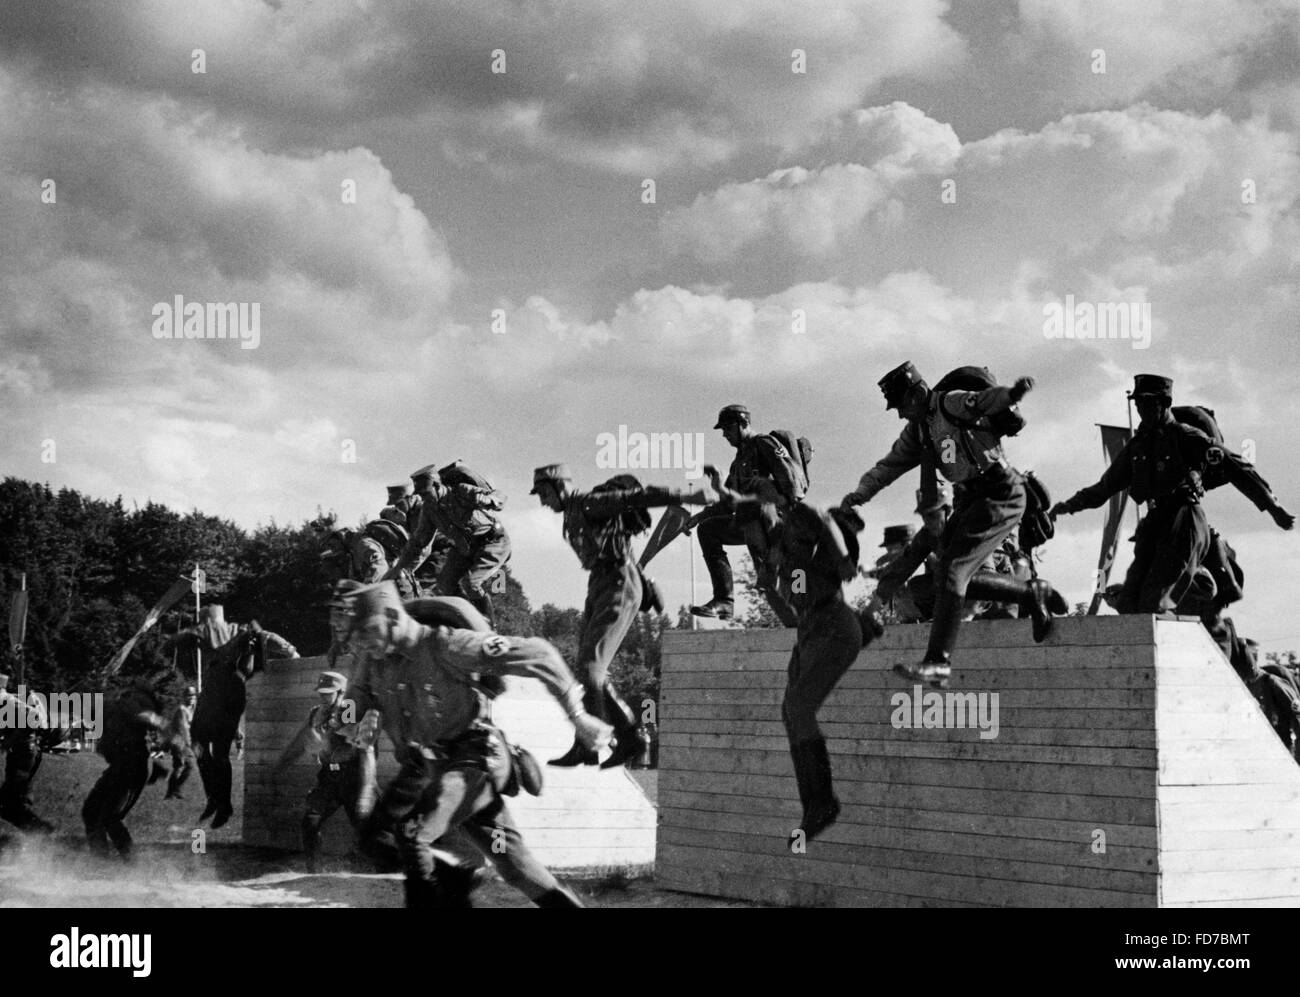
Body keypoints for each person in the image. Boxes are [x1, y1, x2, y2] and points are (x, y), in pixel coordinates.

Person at [339, 581, 611, 908]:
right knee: (514, 866)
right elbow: (354, 700)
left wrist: (578, 716)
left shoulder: (446, 646)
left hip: (475, 764)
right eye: (356, 637)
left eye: (367, 631)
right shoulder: (376, 661)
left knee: (413, 834)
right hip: (444, 776)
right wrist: (346, 722)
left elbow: (539, 653)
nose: (362, 644)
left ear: (394, 617)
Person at [842, 362, 1066, 688]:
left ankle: (938, 663)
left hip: (1000, 491)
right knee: (955, 577)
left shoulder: (950, 402)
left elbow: (986, 400)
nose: (900, 414)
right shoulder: (918, 431)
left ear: (918, 394)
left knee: (952, 572)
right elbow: (889, 466)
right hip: (971, 500)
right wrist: (860, 494)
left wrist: (1013, 393)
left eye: (902, 405)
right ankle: (1033, 593)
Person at [1051, 374, 1294, 614]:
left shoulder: (1184, 435)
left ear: (1165, 403)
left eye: (1148, 403)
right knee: (1127, 603)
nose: (1141, 409)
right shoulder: (1138, 445)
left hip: (1183, 521)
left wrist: (1272, 506)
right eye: (1138, 404)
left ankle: (1196, 587)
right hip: (1154, 523)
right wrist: (1068, 505)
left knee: (1152, 602)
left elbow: (1236, 466)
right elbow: (1104, 487)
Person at [530, 463, 715, 768]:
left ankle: (631, 736)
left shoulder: (590, 502)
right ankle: (586, 746)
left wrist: (690, 495)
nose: (542, 501)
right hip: (599, 584)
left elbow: (639, 497)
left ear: (559, 486)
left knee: (591, 670)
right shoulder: (573, 511)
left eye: (544, 493)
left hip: (618, 582)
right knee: (585, 672)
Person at [772, 502, 875, 846]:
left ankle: (823, 803)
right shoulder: (792, 557)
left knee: (799, 708)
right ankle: (814, 806)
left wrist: (843, 555)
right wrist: (769, 586)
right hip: (811, 627)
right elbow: (793, 608)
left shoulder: (824, 543)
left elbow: (824, 521)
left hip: (833, 625)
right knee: (790, 711)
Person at [168, 606, 299, 828]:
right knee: (198, 745)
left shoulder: (240, 632)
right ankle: (214, 799)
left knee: (219, 752)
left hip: (229, 695)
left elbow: (268, 637)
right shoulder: (205, 639)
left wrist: (291, 651)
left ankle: (224, 805)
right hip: (209, 696)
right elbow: (178, 639)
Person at [690, 405, 804, 626]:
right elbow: (727, 504)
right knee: (708, 529)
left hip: (777, 525)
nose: (725, 434)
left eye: (728, 429)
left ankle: (805, 625)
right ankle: (724, 600)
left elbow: (793, 484)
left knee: (791, 584)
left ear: (743, 424)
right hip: (753, 527)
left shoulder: (764, 444)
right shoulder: (739, 462)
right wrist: (698, 517)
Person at [275, 670, 381, 872]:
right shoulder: (316, 712)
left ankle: (378, 875)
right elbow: (301, 741)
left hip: (354, 777)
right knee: (311, 820)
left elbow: (349, 740)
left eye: (328, 692)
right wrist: (283, 763)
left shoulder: (349, 707)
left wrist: (323, 741)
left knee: (366, 828)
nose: (323, 696)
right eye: (321, 692)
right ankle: (312, 872)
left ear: (341, 692)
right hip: (329, 778)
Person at [387, 464, 511, 625]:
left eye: (425, 493)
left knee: (471, 583)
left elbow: (500, 496)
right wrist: (398, 570)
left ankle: (490, 627)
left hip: (492, 542)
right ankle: (464, 620)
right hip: (465, 549)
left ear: (437, 486)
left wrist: (489, 500)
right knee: (443, 586)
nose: (423, 498)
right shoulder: (429, 509)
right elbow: (419, 543)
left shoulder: (461, 491)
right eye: (421, 495)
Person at [82, 678, 166, 860]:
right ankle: (100, 862)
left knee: (110, 817)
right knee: (91, 811)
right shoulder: (109, 706)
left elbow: (149, 718)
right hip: (119, 766)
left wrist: (169, 733)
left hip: (131, 766)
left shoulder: (128, 701)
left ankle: (132, 865)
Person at [0, 672, 53, 832]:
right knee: (11, 802)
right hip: (21, 752)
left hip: (24, 753)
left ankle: (41, 833)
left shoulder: (4, 699)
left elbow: (34, 716)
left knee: (9, 802)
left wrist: (10, 740)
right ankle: (38, 837)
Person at [162, 686, 197, 800]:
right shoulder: (182, 710)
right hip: (179, 742)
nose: (191, 698)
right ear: (184, 697)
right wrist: (190, 743)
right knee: (181, 766)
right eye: (189, 695)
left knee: (187, 767)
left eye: (193, 695)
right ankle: (172, 792)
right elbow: (183, 729)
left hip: (184, 742)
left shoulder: (191, 709)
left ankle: (173, 791)